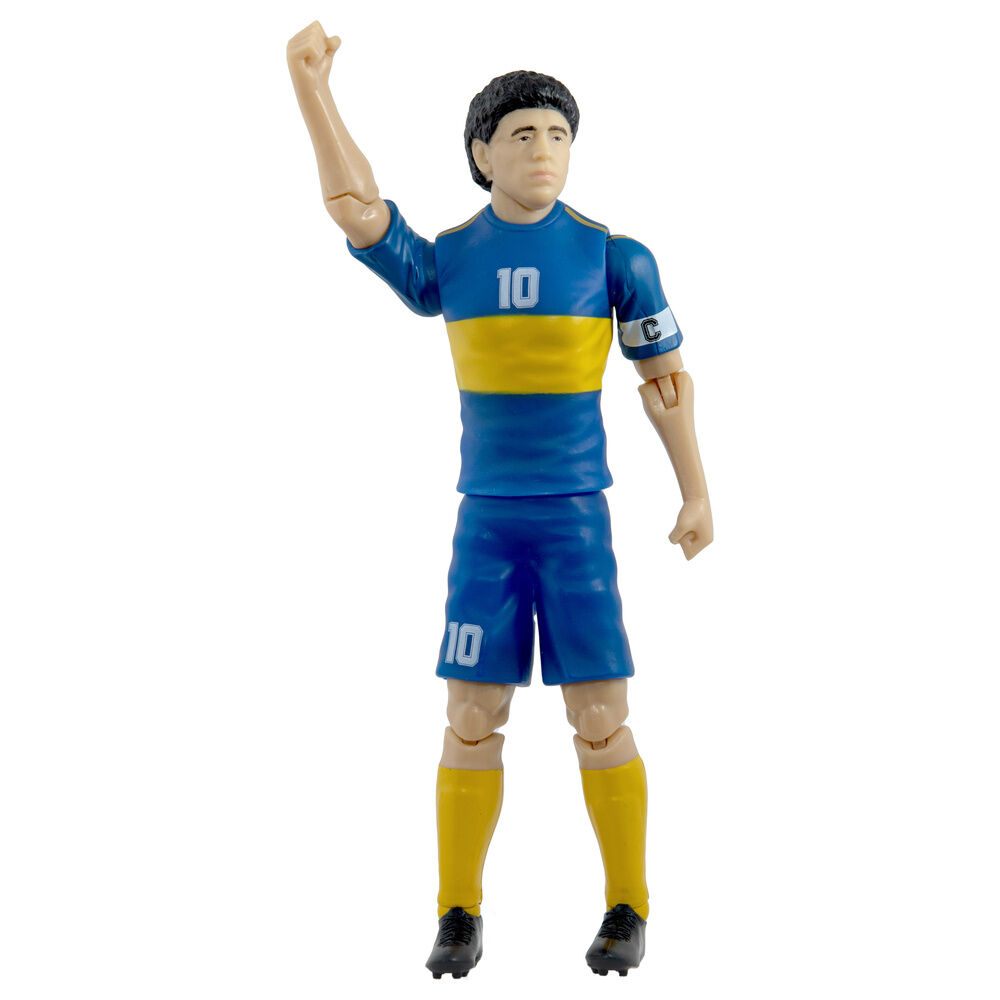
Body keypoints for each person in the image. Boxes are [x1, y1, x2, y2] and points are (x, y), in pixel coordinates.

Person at [286, 21, 713, 979]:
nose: (544, 151)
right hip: (486, 522)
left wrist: (696, 490)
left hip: (576, 521)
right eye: (522, 135)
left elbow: (666, 381)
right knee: (471, 716)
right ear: (482, 154)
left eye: (558, 134)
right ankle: (458, 911)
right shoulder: (453, 256)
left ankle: (628, 905)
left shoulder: (614, 257)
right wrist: (312, 88)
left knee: (600, 715)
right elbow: (356, 209)